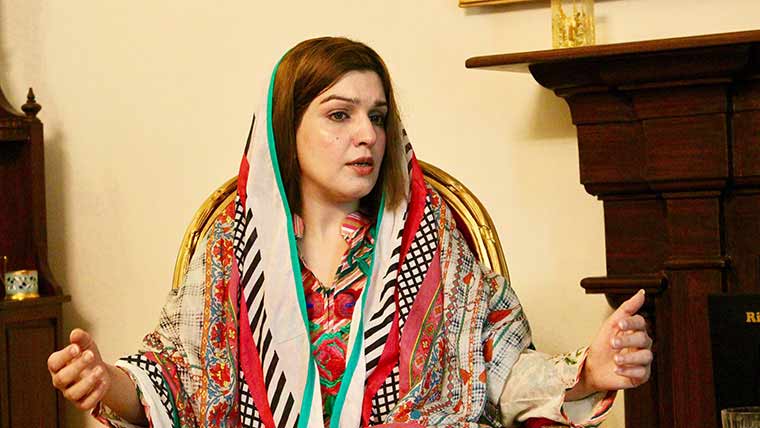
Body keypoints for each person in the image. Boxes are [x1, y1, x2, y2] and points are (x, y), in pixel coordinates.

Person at [47, 37, 652, 428]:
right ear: (287, 129)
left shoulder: (432, 238)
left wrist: (588, 371)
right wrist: (106, 381)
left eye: (378, 117)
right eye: (340, 114)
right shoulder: (234, 244)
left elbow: (499, 372)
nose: (367, 134)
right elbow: (173, 380)